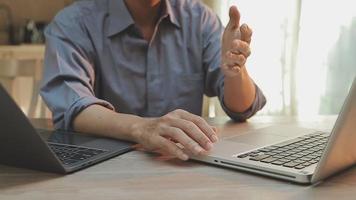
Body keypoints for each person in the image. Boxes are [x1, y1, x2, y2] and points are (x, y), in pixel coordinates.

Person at [40, 0, 266, 161]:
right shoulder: (74, 22)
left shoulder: (200, 18)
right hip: (101, 169)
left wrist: (236, 71)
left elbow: (242, 109)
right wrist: (141, 128)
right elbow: (73, 107)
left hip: (185, 166)